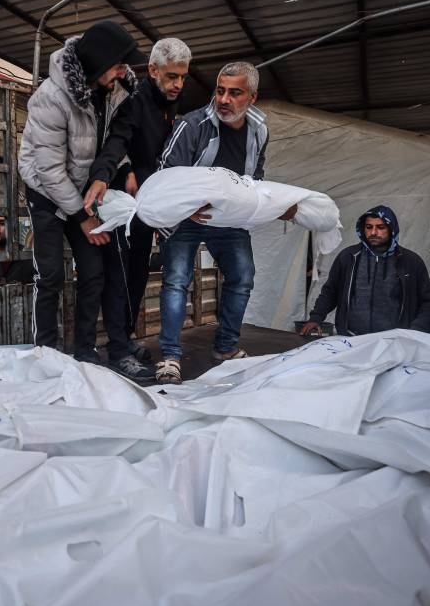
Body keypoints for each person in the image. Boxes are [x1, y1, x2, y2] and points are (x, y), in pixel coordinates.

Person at [18, 19, 145, 366]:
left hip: (81, 191)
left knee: (93, 272)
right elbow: (49, 170)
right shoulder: (51, 98)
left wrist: (126, 167)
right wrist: (83, 218)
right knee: (51, 276)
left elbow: (107, 141)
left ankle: (84, 351)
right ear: (100, 61)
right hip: (46, 191)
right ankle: (44, 352)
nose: (125, 70)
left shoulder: (115, 90)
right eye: (119, 63)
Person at [152, 61, 285, 383]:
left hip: (229, 218)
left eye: (234, 93)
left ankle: (224, 348)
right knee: (176, 281)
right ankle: (170, 357)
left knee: (243, 276)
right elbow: (166, 171)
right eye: (220, 91)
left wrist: (257, 203)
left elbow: (256, 174)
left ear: (252, 97)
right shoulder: (192, 125)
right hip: (187, 217)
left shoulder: (259, 130)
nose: (224, 99)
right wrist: (186, 205)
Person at [81, 37, 192, 378]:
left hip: (150, 208)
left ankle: (125, 337)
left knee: (138, 277)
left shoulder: (172, 105)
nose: (178, 84)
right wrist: (106, 174)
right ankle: (117, 349)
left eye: (183, 77)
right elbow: (117, 142)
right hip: (123, 209)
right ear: (154, 70)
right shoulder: (135, 102)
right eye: (172, 76)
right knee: (119, 279)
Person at [300, 205, 430, 336]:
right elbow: (330, 292)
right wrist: (316, 318)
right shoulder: (348, 257)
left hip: (396, 340)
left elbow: (428, 301)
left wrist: (418, 330)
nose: (373, 232)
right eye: (368, 227)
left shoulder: (410, 261)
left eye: (380, 227)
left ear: (391, 229)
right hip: (352, 337)